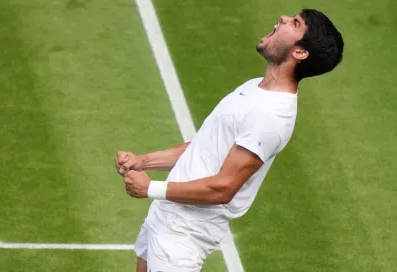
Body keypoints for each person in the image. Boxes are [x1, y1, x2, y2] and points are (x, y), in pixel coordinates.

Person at [115, 8, 344, 272]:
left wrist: (151, 189)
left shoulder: (272, 115)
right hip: (166, 217)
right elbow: (205, 148)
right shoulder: (255, 87)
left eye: (295, 23)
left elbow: (224, 188)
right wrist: (143, 162)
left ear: (300, 52)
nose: (282, 18)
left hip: (183, 233)